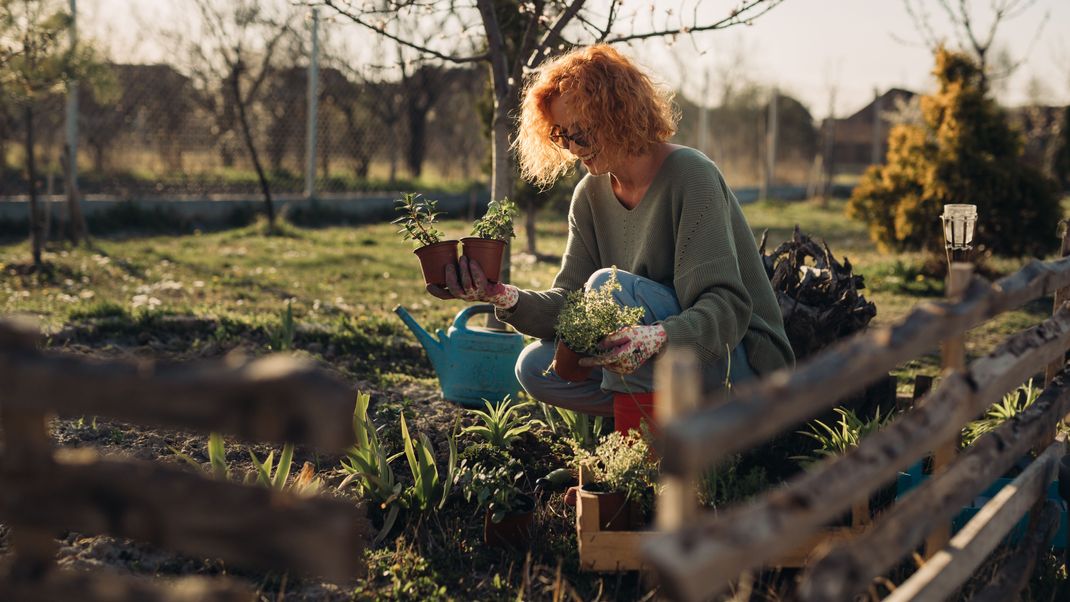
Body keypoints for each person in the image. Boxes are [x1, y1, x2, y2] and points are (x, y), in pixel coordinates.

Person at [437, 44, 794, 417]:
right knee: (535, 367)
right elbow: (571, 306)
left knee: (611, 288)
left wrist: (657, 338)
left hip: (738, 366)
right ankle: (658, 423)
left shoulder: (692, 175)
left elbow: (727, 309)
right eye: (561, 136)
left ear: (616, 115)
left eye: (581, 134)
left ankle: (642, 459)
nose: (573, 149)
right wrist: (502, 296)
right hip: (661, 363)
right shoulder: (589, 195)